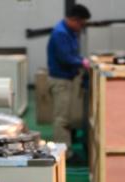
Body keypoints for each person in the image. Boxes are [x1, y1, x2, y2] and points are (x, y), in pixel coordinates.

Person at [47, 4, 91, 154]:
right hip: (60, 81)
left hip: (67, 80)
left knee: (65, 118)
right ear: (74, 19)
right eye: (81, 24)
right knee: (61, 119)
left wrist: (80, 60)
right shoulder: (61, 33)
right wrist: (82, 62)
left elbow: (72, 53)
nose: (81, 27)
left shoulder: (69, 32)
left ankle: (66, 149)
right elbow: (65, 58)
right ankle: (63, 154)